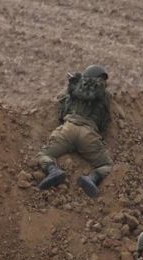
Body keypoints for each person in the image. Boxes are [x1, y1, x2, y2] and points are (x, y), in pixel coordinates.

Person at [37, 64, 113, 198]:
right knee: (105, 165)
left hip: (68, 128)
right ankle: (91, 179)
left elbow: (61, 105)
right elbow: (104, 122)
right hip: (88, 135)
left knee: (44, 155)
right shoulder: (105, 95)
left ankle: (53, 171)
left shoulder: (74, 88)